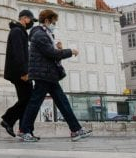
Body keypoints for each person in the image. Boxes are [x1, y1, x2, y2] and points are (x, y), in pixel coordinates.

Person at [19, 9, 92, 142]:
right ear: (47, 21)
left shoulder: (45, 34)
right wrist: (70, 51)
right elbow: (51, 54)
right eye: (54, 22)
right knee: (36, 103)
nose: (54, 24)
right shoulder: (40, 34)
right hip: (44, 74)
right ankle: (25, 131)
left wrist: (58, 49)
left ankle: (76, 130)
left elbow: (50, 53)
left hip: (48, 74)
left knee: (61, 102)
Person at [0, 9, 36, 137]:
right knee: (28, 99)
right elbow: (18, 53)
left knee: (26, 100)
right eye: (31, 20)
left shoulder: (20, 31)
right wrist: (24, 72)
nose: (32, 23)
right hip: (19, 73)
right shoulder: (17, 31)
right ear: (24, 18)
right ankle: (8, 119)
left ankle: (23, 129)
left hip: (20, 72)